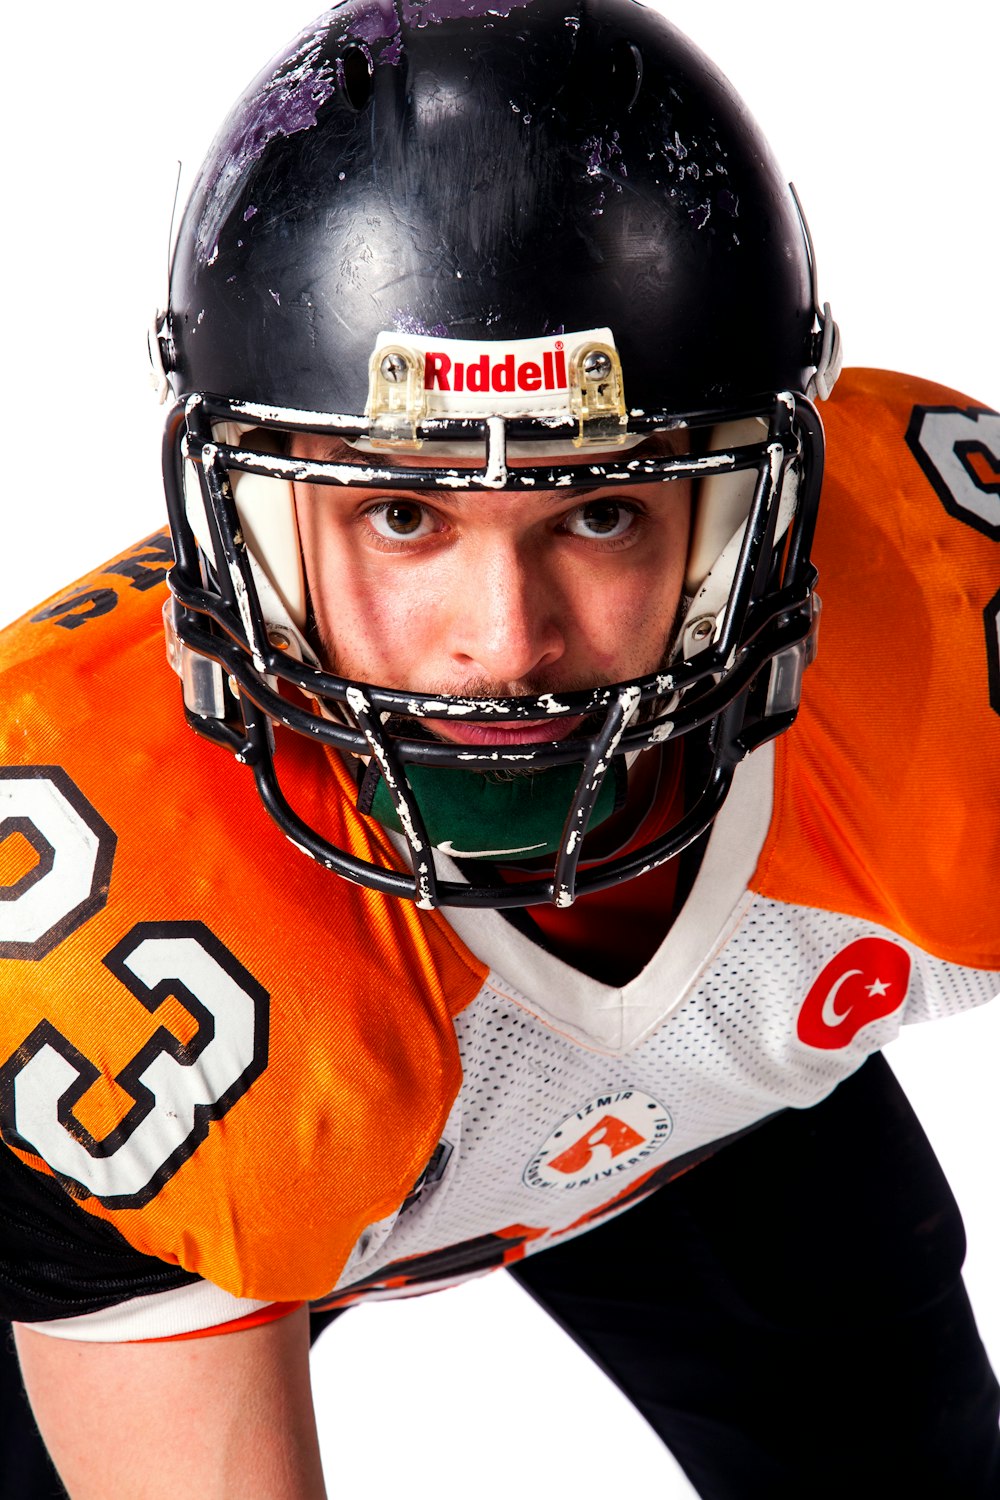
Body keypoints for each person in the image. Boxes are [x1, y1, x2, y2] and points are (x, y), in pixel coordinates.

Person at [1, 2, 998, 1497]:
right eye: (404, 515)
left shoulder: (933, 643)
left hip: (720, 1111)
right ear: (255, 526)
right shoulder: (127, 910)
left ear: (752, 514)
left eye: (600, 510)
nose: (505, 640)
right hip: (198, 1176)